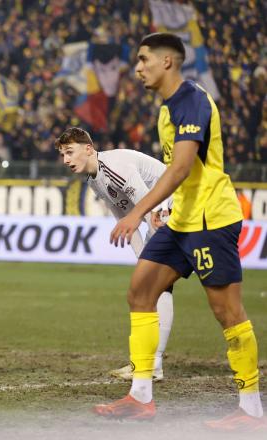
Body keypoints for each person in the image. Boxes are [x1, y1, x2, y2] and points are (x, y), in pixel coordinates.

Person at [93, 33, 265, 431]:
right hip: (182, 220)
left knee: (228, 312)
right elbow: (178, 172)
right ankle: (140, 396)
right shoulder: (166, 109)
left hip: (211, 220)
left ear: (167, 62)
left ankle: (252, 409)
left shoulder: (192, 100)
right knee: (141, 291)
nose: (136, 68)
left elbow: (181, 168)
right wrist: (166, 211)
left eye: (143, 60)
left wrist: (138, 211)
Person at [56, 127, 173, 382]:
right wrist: (143, 259)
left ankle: (151, 365)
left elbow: (150, 206)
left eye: (70, 152)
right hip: (164, 210)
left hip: (172, 205)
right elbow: (125, 221)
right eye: (63, 154)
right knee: (156, 287)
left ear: (88, 149)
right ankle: (152, 364)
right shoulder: (95, 178)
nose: (65, 160)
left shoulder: (115, 167)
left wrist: (148, 262)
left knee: (154, 286)